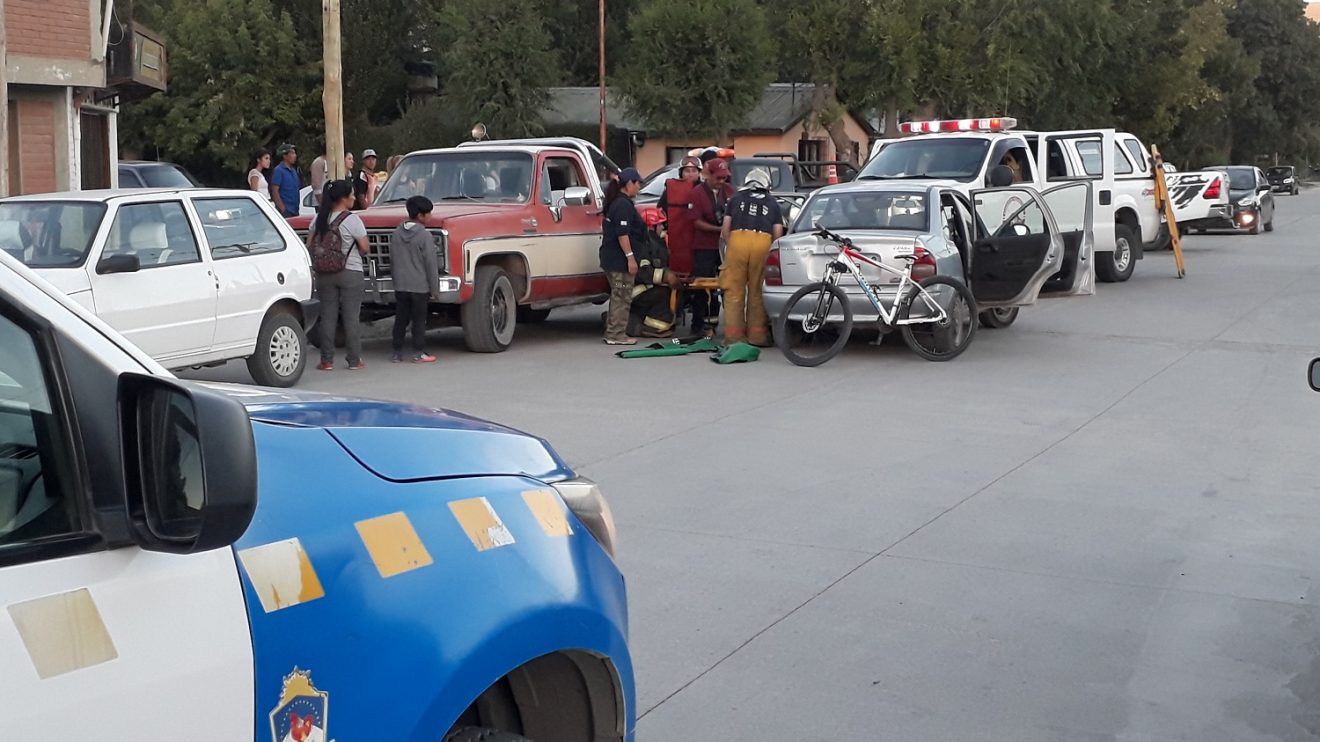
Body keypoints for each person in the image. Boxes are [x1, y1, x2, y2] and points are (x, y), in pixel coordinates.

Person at [720, 168, 784, 346]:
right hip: (762, 244)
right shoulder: (772, 203)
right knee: (757, 291)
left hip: (737, 241)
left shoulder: (735, 199)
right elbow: (778, 233)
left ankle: (733, 337)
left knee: (734, 290)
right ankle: (757, 336)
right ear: (766, 185)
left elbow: (725, 228)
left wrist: (733, 245)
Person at [310, 180, 369, 370]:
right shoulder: (352, 220)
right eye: (351, 194)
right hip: (350, 272)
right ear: (343, 198)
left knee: (328, 317)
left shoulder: (318, 219)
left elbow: (309, 245)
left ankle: (326, 360)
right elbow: (364, 248)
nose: (354, 197)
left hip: (324, 274)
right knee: (351, 317)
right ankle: (354, 360)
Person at [389, 196, 440, 364]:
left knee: (400, 319)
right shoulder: (424, 235)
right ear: (420, 216)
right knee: (419, 321)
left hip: (401, 285)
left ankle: (397, 352)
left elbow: (393, 260)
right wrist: (434, 288)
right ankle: (418, 352)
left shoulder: (397, 233)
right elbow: (430, 264)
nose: (430, 216)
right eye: (428, 213)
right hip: (419, 286)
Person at [687, 157, 734, 338]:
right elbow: (695, 222)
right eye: (718, 177)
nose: (721, 181)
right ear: (708, 175)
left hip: (724, 247)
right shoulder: (697, 193)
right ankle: (697, 324)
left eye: (724, 177)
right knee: (702, 286)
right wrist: (719, 229)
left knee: (724, 285)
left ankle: (715, 324)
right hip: (704, 247)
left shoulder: (730, 192)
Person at [599, 168, 646, 345]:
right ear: (629, 184)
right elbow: (622, 234)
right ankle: (615, 334)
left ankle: (615, 332)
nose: (639, 187)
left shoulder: (619, 202)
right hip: (619, 261)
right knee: (621, 296)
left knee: (620, 295)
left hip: (615, 259)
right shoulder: (622, 205)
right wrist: (630, 258)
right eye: (637, 183)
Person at [627, 209, 683, 338]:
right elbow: (642, 273)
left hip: (647, 287)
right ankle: (647, 327)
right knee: (663, 295)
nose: (663, 227)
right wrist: (665, 276)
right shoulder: (642, 244)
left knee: (675, 292)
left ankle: (662, 323)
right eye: (660, 224)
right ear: (651, 226)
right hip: (635, 290)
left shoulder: (656, 242)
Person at [656, 155, 701, 276]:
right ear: (681, 173)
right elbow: (660, 212)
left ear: (699, 173)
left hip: (699, 239)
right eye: (687, 171)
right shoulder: (670, 191)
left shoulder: (705, 190)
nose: (690, 174)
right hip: (677, 238)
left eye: (694, 171)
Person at [270, 143, 301, 219]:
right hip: (286, 211)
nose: (295, 156)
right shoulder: (279, 170)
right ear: (285, 155)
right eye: (292, 153)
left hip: (295, 210)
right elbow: (275, 191)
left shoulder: (294, 171)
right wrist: (282, 209)